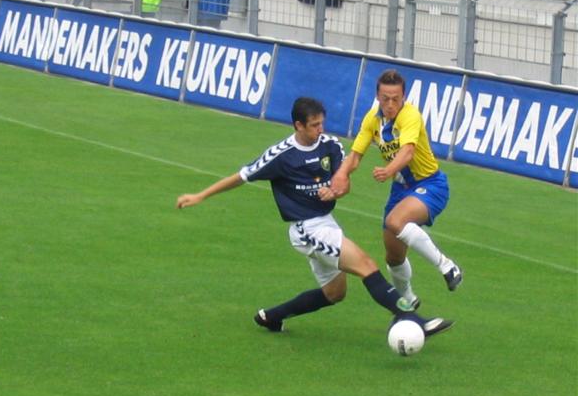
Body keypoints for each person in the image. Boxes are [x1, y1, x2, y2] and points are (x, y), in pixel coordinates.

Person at [176, 97, 452, 337]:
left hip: (326, 223)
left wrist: (335, 191)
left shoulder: (330, 146)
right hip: (306, 229)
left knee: (335, 293)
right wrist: (200, 196)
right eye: (314, 125)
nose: (321, 130)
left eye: (322, 123)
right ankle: (412, 319)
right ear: (298, 125)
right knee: (366, 264)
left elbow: (344, 183)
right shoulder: (280, 155)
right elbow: (240, 177)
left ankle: (271, 317)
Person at [326, 69, 462, 310]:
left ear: (404, 97)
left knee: (396, 221)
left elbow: (408, 151)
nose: (390, 104)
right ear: (377, 97)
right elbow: (355, 156)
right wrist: (341, 175)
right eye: (385, 98)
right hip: (400, 190)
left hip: (430, 184)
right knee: (394, 256)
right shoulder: (372, 119)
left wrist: (388, 170)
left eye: (395, 99)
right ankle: (408, 301)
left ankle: (447, 266)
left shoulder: (411, 116)